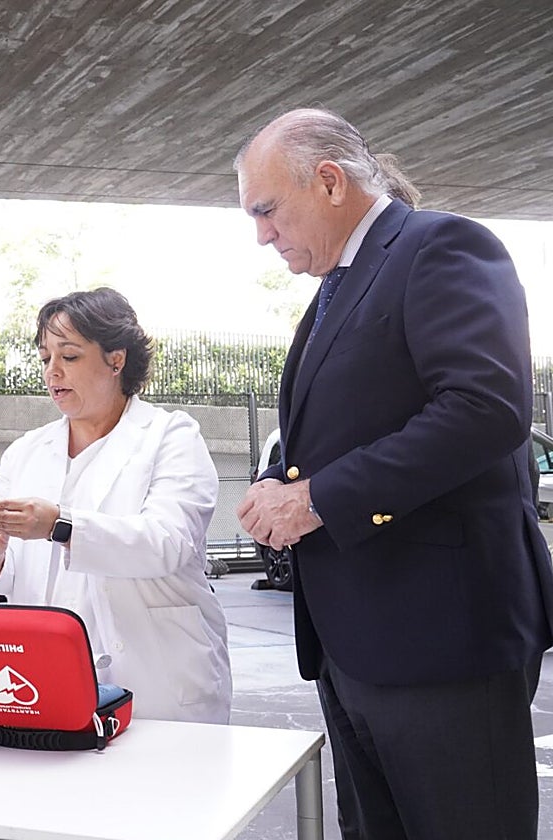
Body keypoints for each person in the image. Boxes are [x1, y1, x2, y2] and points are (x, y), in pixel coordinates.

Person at [235, 108, 553, 839]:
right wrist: (282, 480)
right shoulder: (338, 288)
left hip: (445, 641)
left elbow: (485, 408)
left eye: (267, 210)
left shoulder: (441, 245)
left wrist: (318, 499)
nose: (262, 234)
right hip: (356, 644)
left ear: (329, 180)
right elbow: (353, 424)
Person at [0, 287, 231, 724]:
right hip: (47, 679)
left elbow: (168, 542)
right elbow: (9, 578)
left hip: (157, 680)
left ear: (116, 359)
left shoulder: (171, 437)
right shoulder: (26, 451)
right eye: (45, 357)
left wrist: (60, 526)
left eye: (69, 356)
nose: (52, 372)